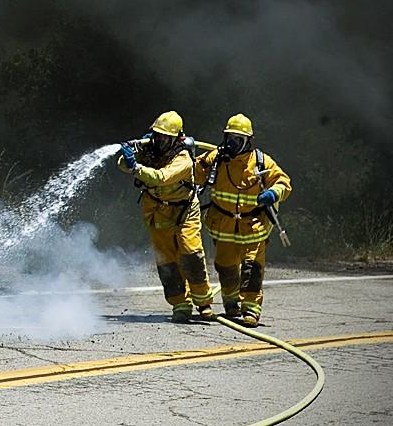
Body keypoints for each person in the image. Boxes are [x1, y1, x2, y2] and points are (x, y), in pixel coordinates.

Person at [195, 114, 291, 327]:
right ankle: (231, 304)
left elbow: (283, 181)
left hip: (253, 227)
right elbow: (193, 172)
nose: (232, 143)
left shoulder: (261, 161)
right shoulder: (216, 158)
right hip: (223, 225)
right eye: (230, 138)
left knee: (252, 268)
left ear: (248, 140)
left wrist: (274, 193)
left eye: (238, 139)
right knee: (226, 266)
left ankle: (251, 310)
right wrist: (181, 147)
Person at [118, 111, 215, 322]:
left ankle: (203, 302)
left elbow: (161, 178)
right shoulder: (151, 151)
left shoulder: (183, 160)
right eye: (157, 135)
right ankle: (180, 304)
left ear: (177, 138)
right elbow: (123, 166)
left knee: (191, 253)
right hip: (156, 211)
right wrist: (130, 155)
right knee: (167, 261)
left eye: (165, 137)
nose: (160, 140)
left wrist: (135, 166)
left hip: (184, 211)